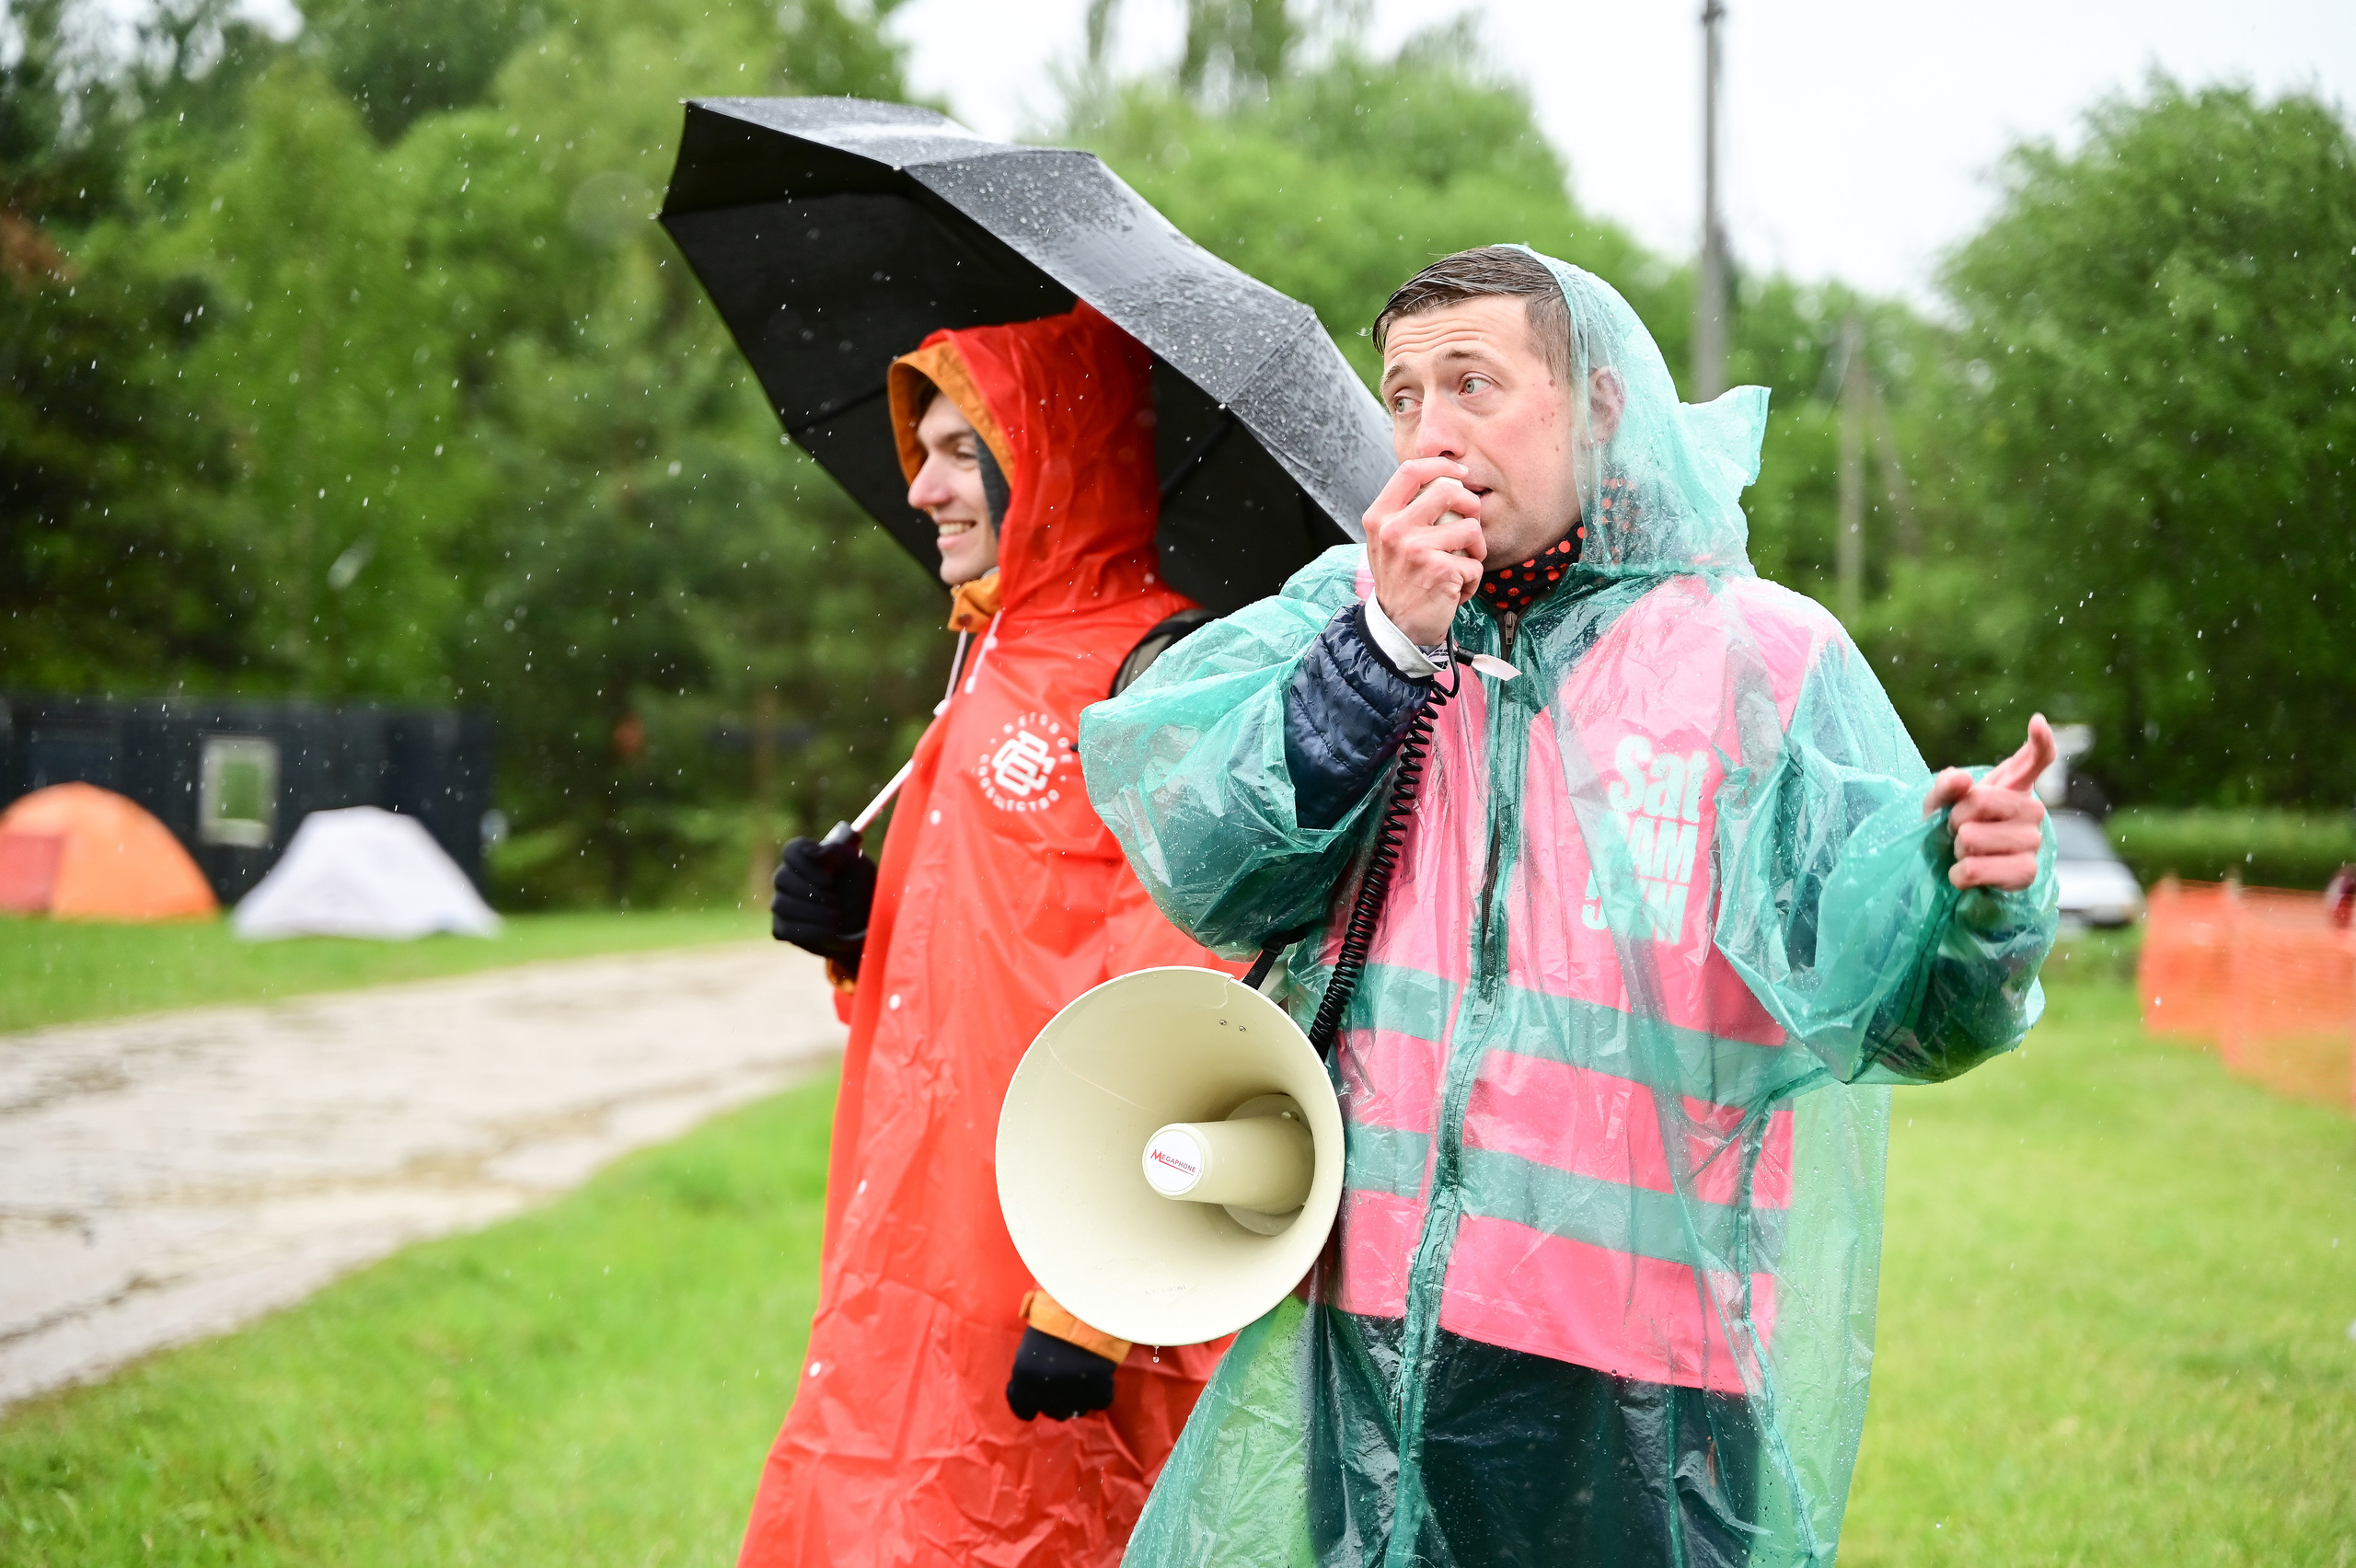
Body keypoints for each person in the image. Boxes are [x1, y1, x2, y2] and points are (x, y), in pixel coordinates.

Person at [1079, 247, 2059, 1567]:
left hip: (1642, 1366)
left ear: (1602, 406)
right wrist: (1380, 652)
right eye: (1405, 395)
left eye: (1475, 384)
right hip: (1373, 1316)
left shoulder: (1758, 657)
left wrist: (1972, 898)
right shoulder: (1361, 612)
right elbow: (1209, 856)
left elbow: (1900, 1005)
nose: (1432, 434)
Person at [743, 302, 1231, 1568]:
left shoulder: (1154, 675)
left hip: (1042, 1285)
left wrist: (1096, 1292)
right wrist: (864, 933)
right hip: (912, 1246)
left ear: (1051, 462)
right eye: (927, 448)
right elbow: (992, 960)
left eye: (964, 451)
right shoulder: (988, 663)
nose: (920, 487)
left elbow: (1186, 1004)